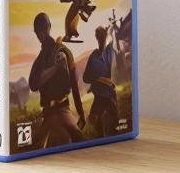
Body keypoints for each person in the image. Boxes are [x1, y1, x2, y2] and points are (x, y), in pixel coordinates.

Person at [28, 12, 86, 147]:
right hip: (47, 113)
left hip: (62, 109)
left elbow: (74, 84)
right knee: (34, 147)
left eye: (42, 29)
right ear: (35, 31)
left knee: (79, 138)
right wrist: (53, 69)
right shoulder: (40, 59)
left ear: (49, 27)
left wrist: (81, 113)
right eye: (38, 30)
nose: (40, 34)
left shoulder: (62, 51)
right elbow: (33, 84)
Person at [83, 25, 118, 137]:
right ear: (97, 38)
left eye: (103, 36)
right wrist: (96, 77)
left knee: (114, 118)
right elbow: (85, 78)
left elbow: (117, 71)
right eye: (99, 36)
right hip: (99, 96)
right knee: (93, 119)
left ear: (106, 36)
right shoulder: (94, 56)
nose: (102, 38)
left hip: (109, 95)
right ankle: (102, 137)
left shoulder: (110, 52)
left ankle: (110, 136)